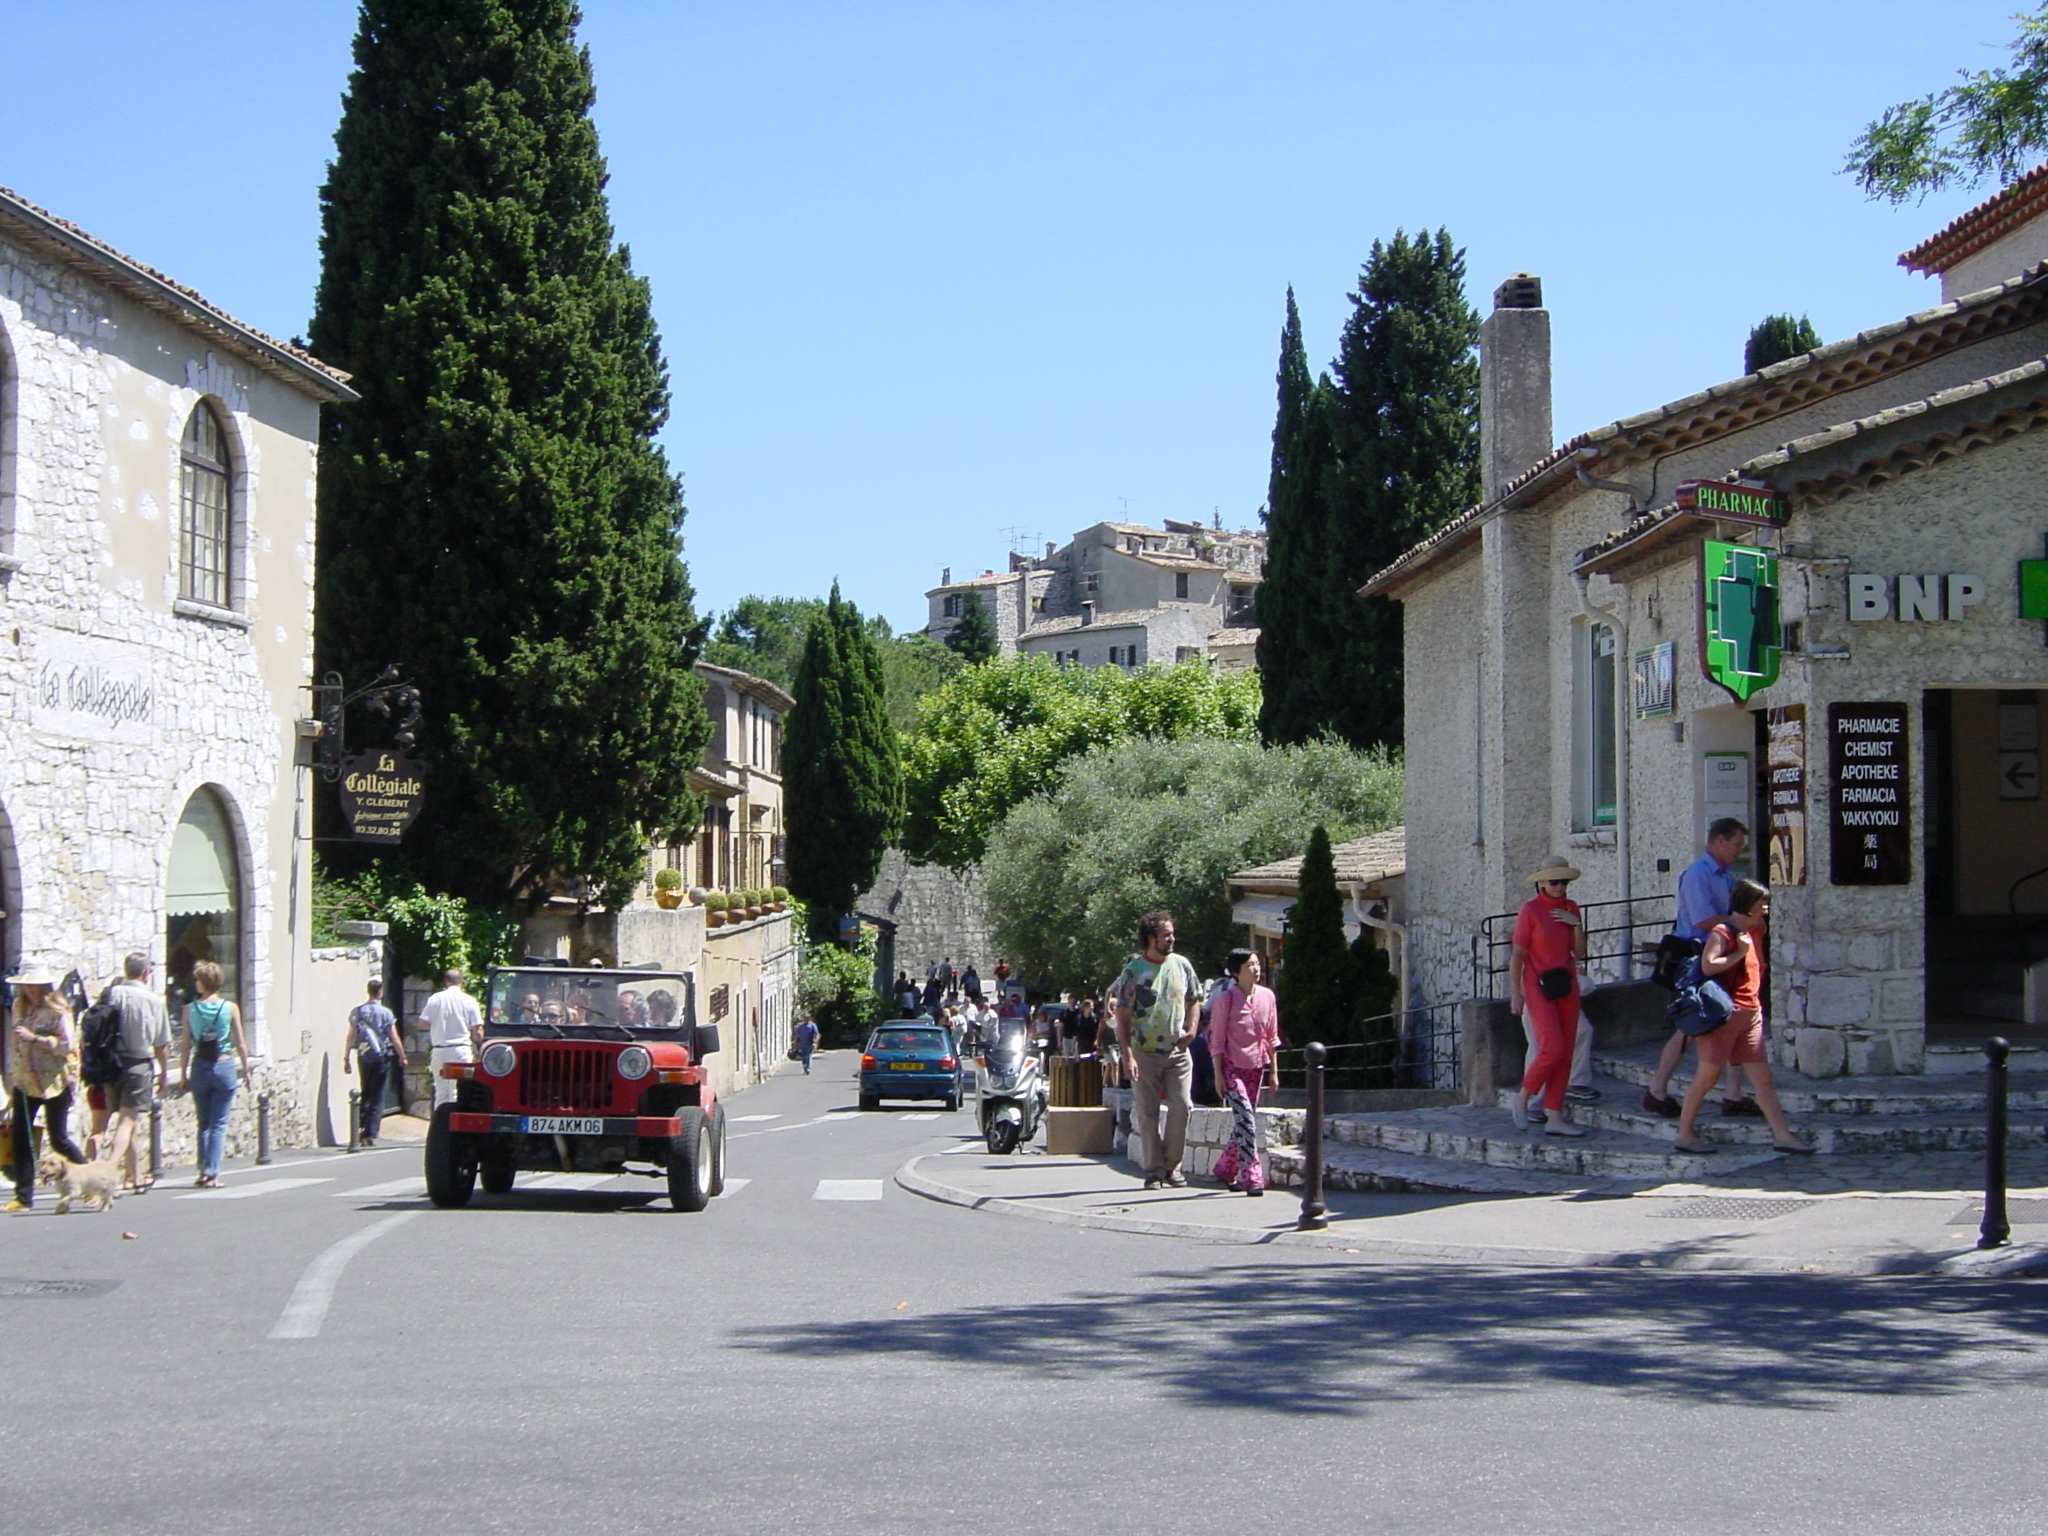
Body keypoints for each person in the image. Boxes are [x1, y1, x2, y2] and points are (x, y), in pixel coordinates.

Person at [1674, 879, 1812, 1156]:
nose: (1766, 909)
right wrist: (1739, 952)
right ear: (1748, 904)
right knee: (1707, 1078)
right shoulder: (1723, 932)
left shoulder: (1755, 929)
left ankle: (1782, 1136)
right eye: (1762, 904)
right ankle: (1685, 1134)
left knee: (1763, 1079)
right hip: (1725, 1016)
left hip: (1751, 1014)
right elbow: (1709, 965)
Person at [1644, 818, 1753, 1119]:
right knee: (1690, 1026)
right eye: (1735, 845)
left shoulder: (1724, 875)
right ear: (1719, 841)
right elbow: (1703, 919)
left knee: (1736, 1021)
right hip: (1697, 958)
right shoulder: (1698, 875)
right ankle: (1657, 1089)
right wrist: (1740, 922)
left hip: (1720, 955)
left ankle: (1733, 1094)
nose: (1738, 852)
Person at [1113, 910, 1202, 1189]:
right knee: (1148, 1112)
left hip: (1177, 1051)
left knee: (1182, 1106)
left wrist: (1192, 1027)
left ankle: (1173, 1166)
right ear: (1151, 938)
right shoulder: (1134, 972)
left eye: (1172, 933)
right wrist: (1126, 1054)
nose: (1172, 938)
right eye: (1166, 934)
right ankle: (1154, 1170)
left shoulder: (1182, 965)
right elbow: (1123, 1015)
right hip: (1144, 1052)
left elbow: (1194, 999)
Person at [1507, 857, 1590, 1138]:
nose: (1559, 887)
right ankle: (1523, 1097)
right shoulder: (1530, 911)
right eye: (1554, 881)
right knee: (1551, 1048)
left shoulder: (1571, 908)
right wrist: (1515, 993)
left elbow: (1580, 953)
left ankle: (1554, 1115)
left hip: (1565, 983)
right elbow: (1518, 955)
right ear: (1542, 883)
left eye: (1564, 882)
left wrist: (1576, 924)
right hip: (1537, 985)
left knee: (1566, 1050)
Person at [7, 967, 85, 1212]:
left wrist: (35, 1039)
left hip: (54, 1081)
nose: (29, 990)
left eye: (34, 986)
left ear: (44, 987)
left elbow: (66, 1045)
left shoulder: (58, 1010)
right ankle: (23, 1197)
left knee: (58, 1138)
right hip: (26, 1080)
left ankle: (89, 1181)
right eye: (26, 986)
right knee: (20, 1136)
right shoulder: (19, 1007)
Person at [1207, 950, 1280, 1195]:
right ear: (1237, 971)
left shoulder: (1267, 997)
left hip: (1256, 1067)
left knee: (1243, 1123)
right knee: (1247, 1120)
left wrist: (1273, 1072)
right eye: (1250, 965)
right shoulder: (1226, 999)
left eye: (1257, 964)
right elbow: (1216, 1039)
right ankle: (1252, 1175)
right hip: (1232, 1069)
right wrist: (1218, 1074)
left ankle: (1226, 1168)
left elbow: (1271, 1037)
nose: (1256, 969)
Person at [179, 960, 249, 1189]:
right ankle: (213, 1172)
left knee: (204, 1123)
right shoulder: (230, 1008)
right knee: (218, 1123)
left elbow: (186, 1045)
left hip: (200, 1065)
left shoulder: (190, 1009)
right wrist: (246, 1069)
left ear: (202, 982)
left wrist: (182, 1073)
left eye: (197, 980)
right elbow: (239, 1041)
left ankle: (203, 1170)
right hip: (225, 1064)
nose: (195, 983)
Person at [105, 952, 170, 1194]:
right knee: (127, 1121)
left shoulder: (111, 994)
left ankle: (134, 1176)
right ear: (145, 973)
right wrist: (164, 1072)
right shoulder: (153, 1000)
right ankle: (108, 1169)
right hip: (137, 1064)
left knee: (132, 1124)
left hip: (111, 1064)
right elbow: (161, 1044)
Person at [342, 978, 405, 1148]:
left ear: (368, 991)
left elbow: (351, 1036)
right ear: (381, 992)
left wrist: (346, 1057)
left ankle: (360, 1126)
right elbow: (394, 1037)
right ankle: (369, 1133)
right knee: (377, 1094)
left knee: (365, 1090)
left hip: (364, 1055)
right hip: (381, 1055)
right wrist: (402, 1056)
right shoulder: (386, 1013)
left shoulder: (358, 1011)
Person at [421, 969, 483, 1109]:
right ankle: (455, 1126)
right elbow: (477, 1030)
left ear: (446, 982)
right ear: (462, 982)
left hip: (440, 1050)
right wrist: (480, 1046)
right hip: (460, 1050)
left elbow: (423, 1023)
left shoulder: (435, 999)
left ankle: (440, 1124)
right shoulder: (469, 1000)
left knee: (441, 1091)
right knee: (459, 1091)